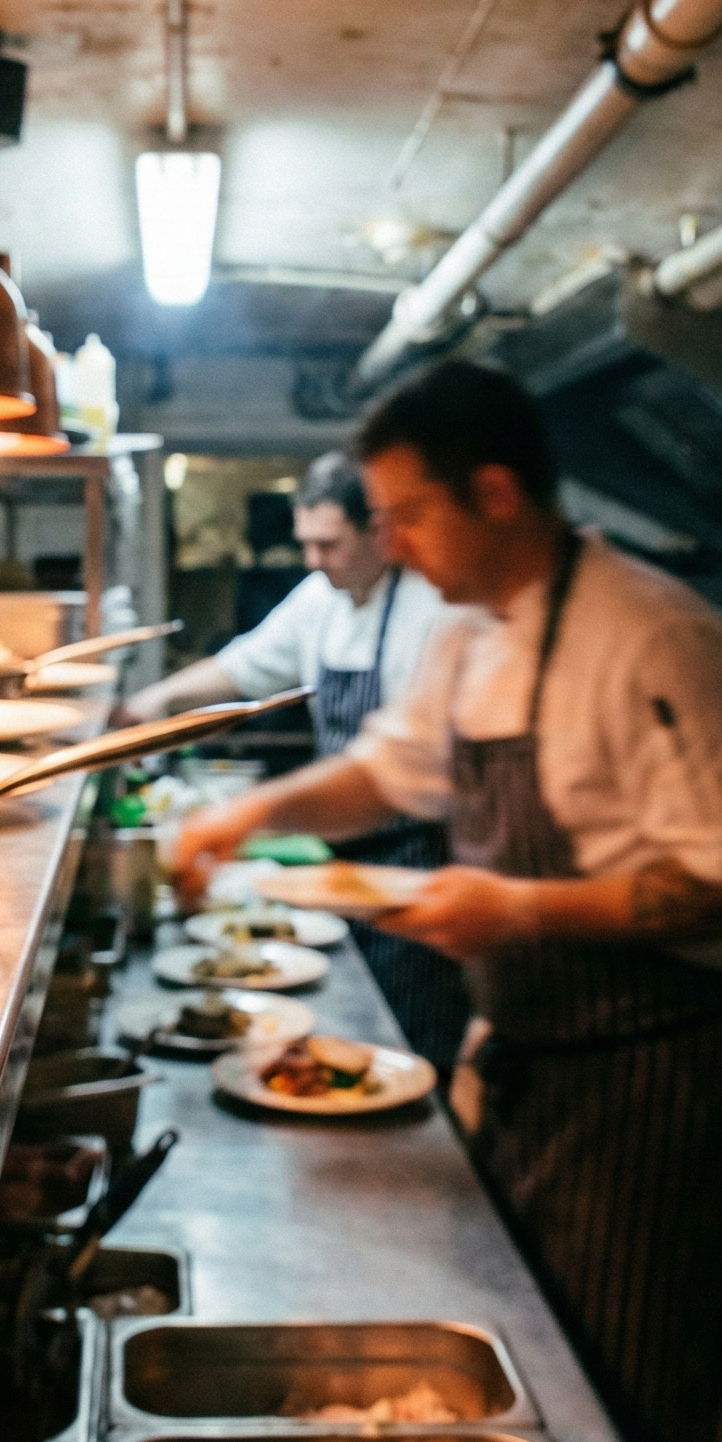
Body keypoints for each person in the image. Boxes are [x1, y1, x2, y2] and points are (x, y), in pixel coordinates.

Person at [170, 360, 722, 1442]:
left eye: (409, 515)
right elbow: (385, 773)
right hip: (524, 1059)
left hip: (654, 1087)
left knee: (626, 1394)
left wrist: (515, 907)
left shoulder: (655, 636)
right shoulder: (471, 632)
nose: (397, 546)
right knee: (537, 1377)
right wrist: (240, 819)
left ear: (497, 495)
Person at [121, 450, 470, 1069]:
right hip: (341, 857)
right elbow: (244, 666)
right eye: (306, 543)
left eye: (328, 545)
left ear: (378, 533)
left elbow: (396, 767)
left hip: (415, 856)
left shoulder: (431, 610)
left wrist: (250, 814)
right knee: (350, 1037)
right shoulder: (321, 597)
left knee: (410, 1047)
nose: (313, 561)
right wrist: (148, 706)